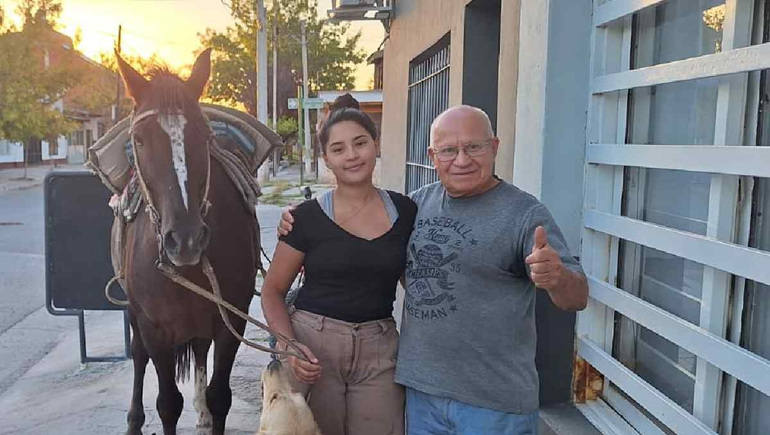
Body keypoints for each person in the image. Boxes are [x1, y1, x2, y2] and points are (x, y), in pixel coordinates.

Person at [278, 105, 589, 434]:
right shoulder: (415, 206)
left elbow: (577, 297)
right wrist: (302, 216)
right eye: (449, 150)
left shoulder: (524, 214)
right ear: (432, 155)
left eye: (473, 147)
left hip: (494, 405)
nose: (462, 160)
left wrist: (557, 279)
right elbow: (362, 220)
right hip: (422, 397)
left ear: (494, 147)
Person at [261, 106, 417, 435]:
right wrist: (289, 346)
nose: (351, 155)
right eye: (338, 148)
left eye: (360, 143)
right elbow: (273, 291)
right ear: (326, 159)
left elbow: (417, 279)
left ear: (376, 144)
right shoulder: (304, 219)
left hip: (379, 351)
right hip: (313, 349)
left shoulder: (406, 211)